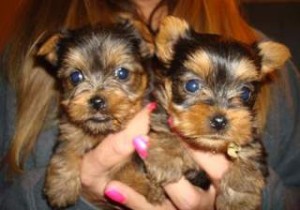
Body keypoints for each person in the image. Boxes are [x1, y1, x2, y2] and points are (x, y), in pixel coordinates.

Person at [0, 0, 299, 209]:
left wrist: (249, 195)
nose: (99, 95)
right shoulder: (20, 50)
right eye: (76, 76)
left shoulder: (263, 53)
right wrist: (76, 197)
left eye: (121, 73)